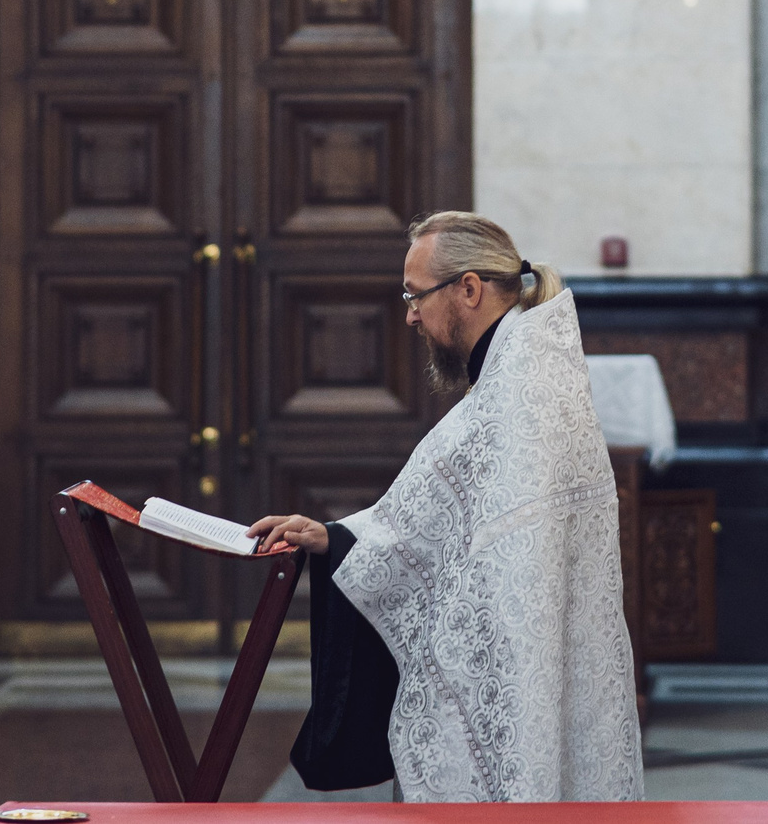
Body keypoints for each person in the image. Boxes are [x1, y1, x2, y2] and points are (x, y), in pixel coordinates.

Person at [249, 212, 642, 802]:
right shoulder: (521, 371)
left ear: (469, 288)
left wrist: (348, 544)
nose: (410, 315)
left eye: (415, 295)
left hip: (514, 675)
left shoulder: (518, 392)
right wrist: (335, 537)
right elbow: (445, 521)